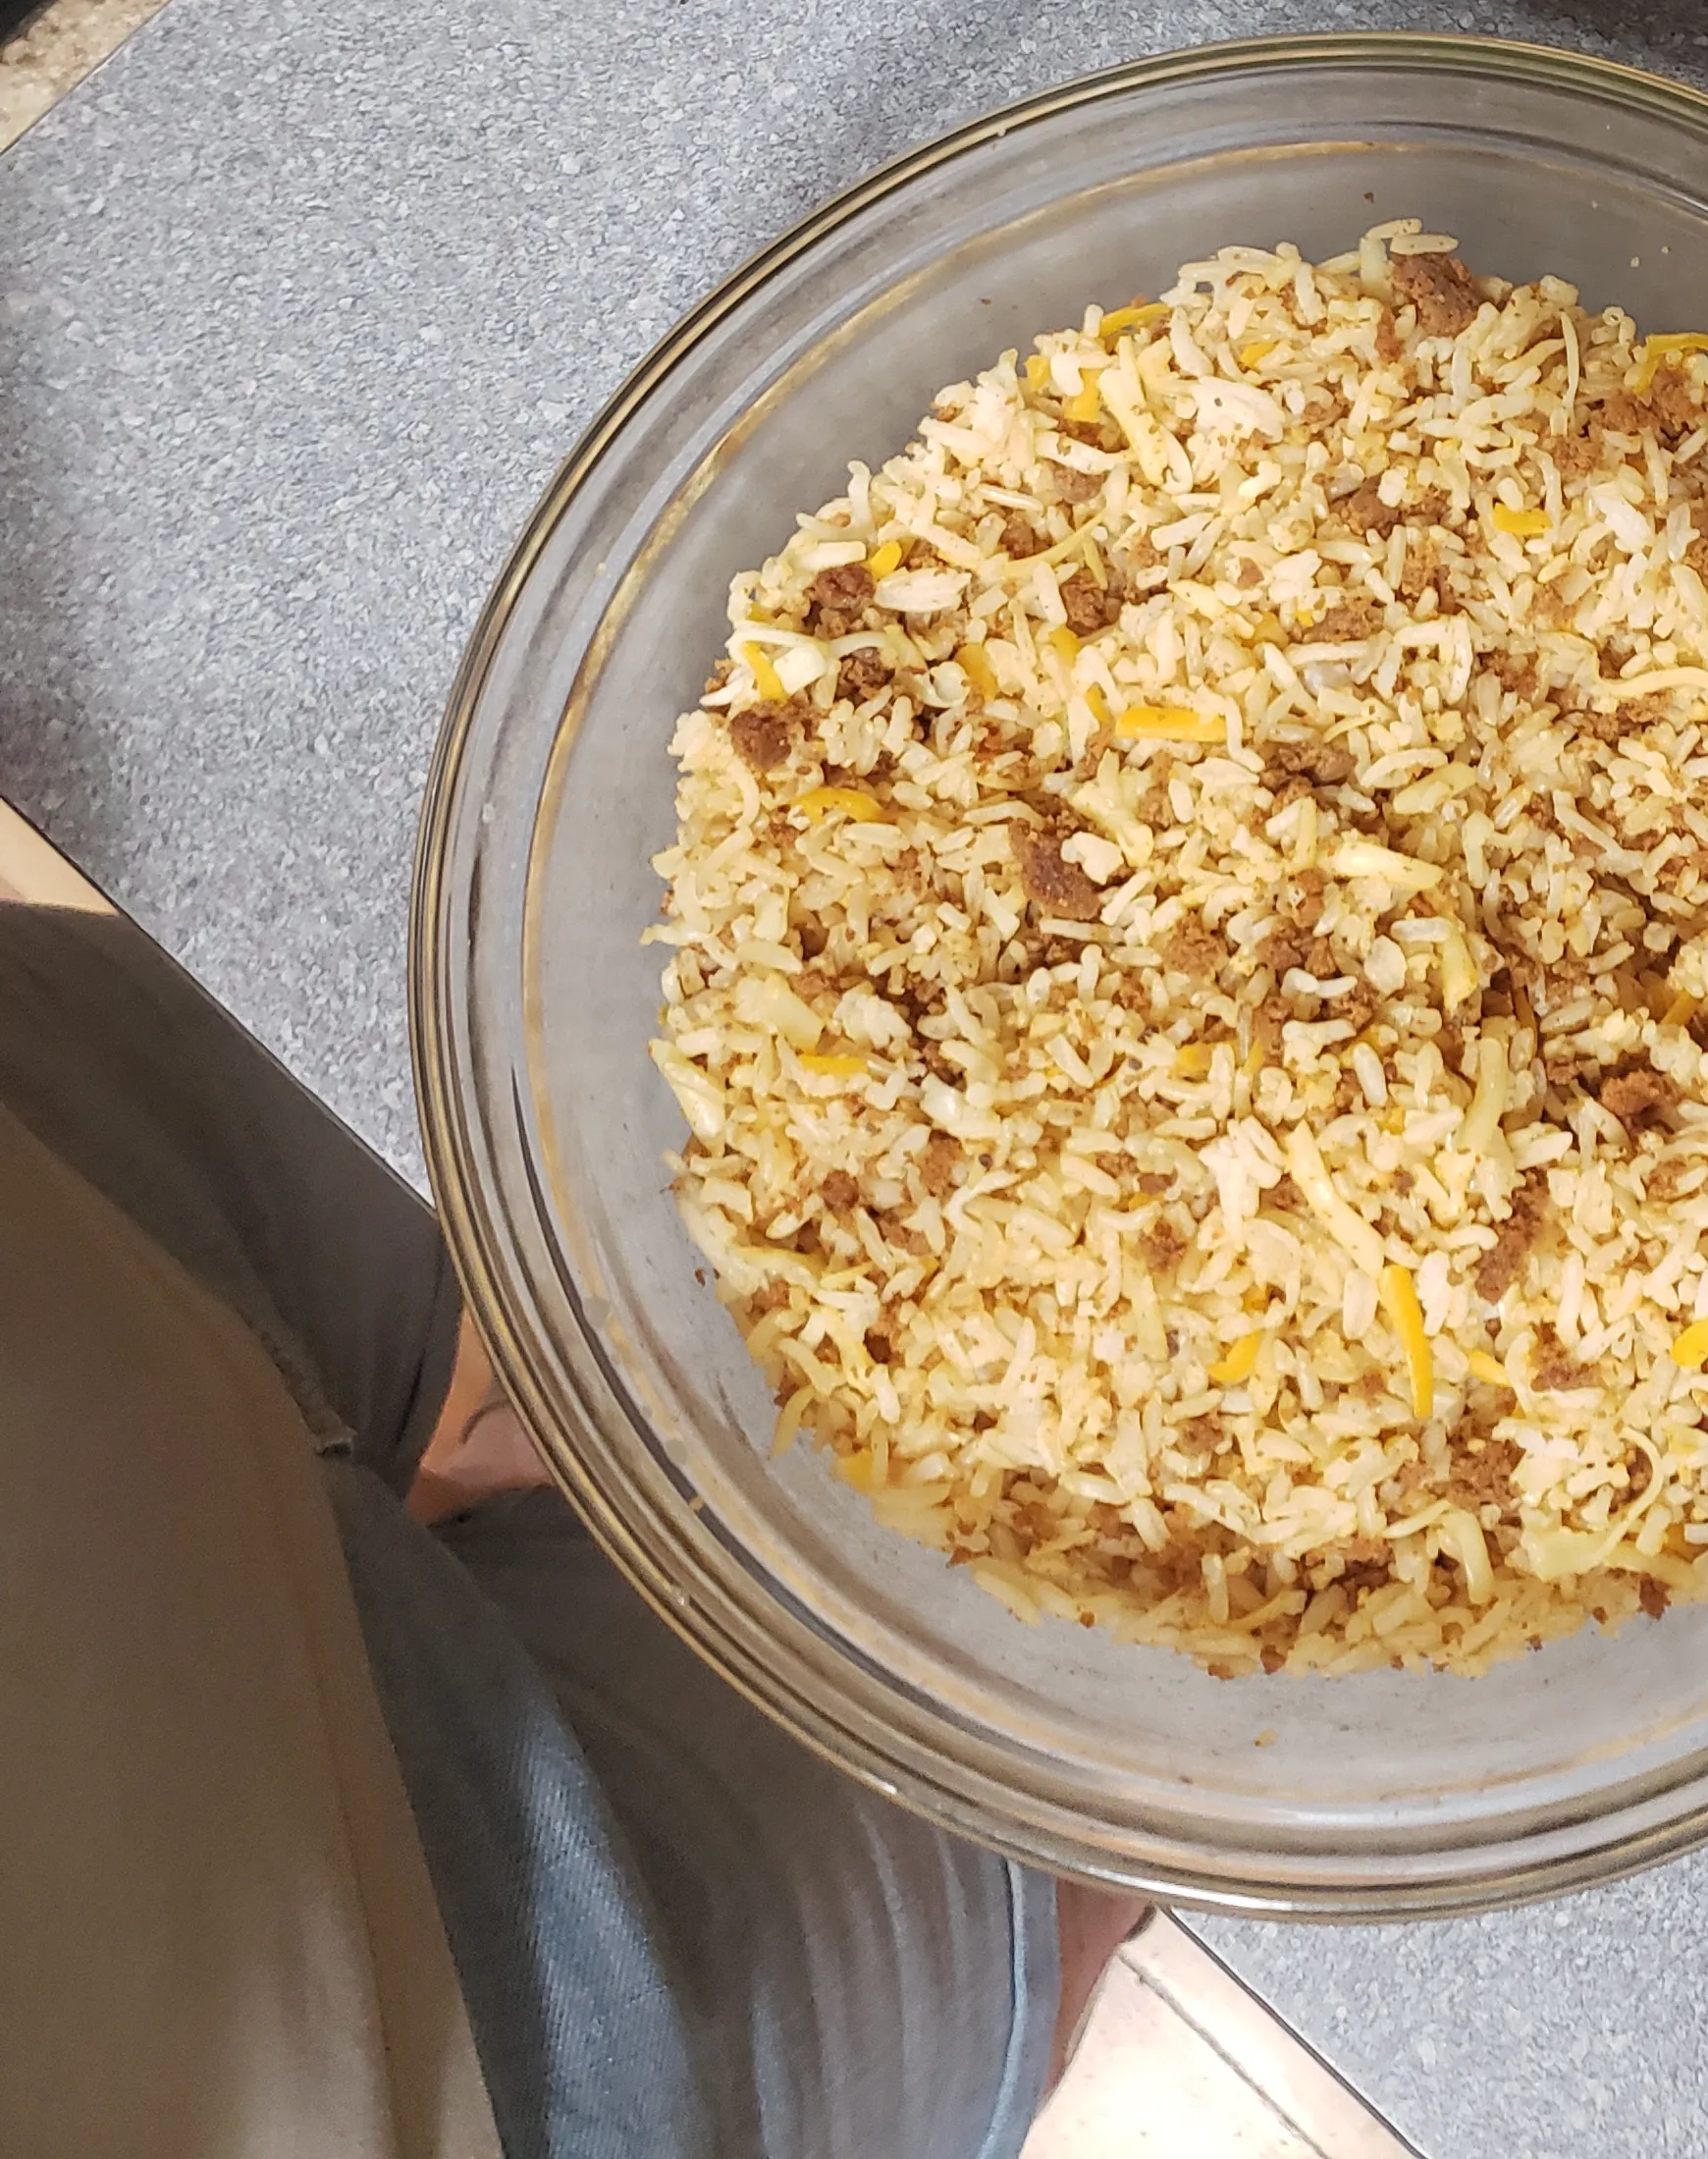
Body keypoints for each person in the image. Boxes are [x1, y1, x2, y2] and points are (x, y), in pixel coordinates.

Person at [0, 884, 1143, 2159]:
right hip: (363, 2041)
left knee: (502, 1194)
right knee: (1053, 1779)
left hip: (40, 1214)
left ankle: (554, 1426)